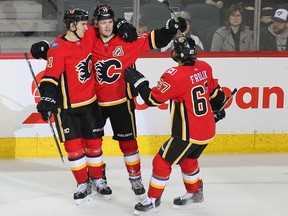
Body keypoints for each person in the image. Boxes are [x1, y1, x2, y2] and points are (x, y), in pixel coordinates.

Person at [91, 4, 187, 197]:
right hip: (94, 102)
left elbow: (155, 39)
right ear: (96, 24)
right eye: (103, 23)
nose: (108, 26)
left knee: (129, 144)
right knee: (93, 143)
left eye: (110, 22)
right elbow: (70, 39)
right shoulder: (88, 40)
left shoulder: (127, 40)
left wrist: (171, 27)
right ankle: (97, 178)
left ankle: (135, 178)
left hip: (122, 102)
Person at [124, 35, 226, 214]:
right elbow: (217, 96)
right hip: (207, 129)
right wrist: (218, 110)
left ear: (178, 54)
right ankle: (195, 193)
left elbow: (152, 99)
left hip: (187, 133)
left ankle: (153, 200)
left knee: (162, 161)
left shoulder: (175, 76)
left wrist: (139, 83)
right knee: (189, 159)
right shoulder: (205, 67)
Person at [34, 8, 112, 204]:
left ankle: (98, 179)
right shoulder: (58, 48)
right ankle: (82, 183)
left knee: (94, 146)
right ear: (72, 25)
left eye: (87, 23)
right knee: (74, 148)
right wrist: (47, 99)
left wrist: (120, 25)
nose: (88, 27)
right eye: (83, 24)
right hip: (67, 108)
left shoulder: (88, 35)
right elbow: (50, 77)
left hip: (90, 103)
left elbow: (105, 25)